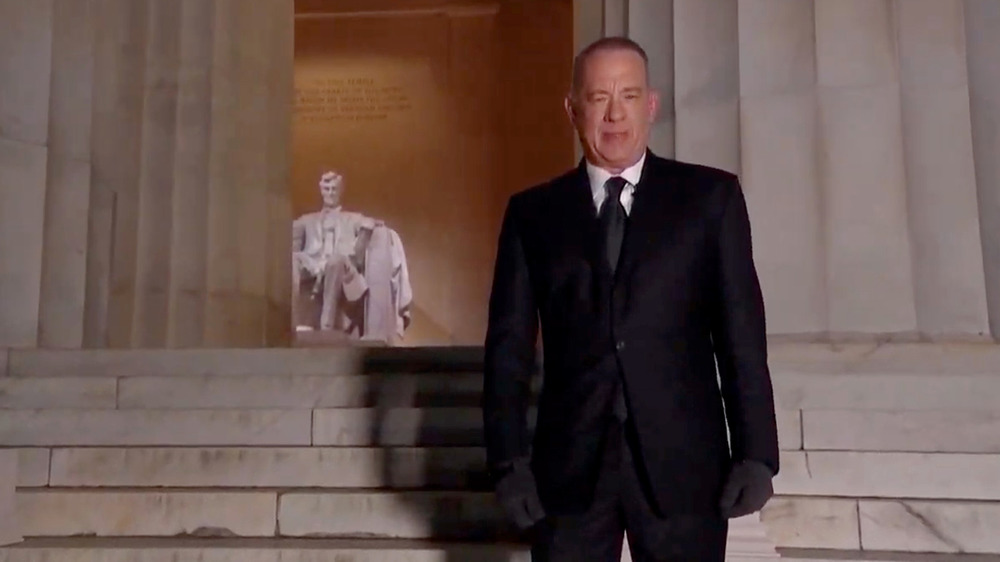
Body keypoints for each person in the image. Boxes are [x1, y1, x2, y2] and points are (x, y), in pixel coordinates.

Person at [482, 36, 779, 562]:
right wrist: (508, 463)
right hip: (568, 472)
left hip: (684, 471)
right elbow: (508, 351)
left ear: (652, 106)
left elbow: (740, 337)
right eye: (599, 98)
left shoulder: (711, 200)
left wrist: (757, 454)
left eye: (629, 95)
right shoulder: (534, 214)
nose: (615, 114)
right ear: (572, 109)